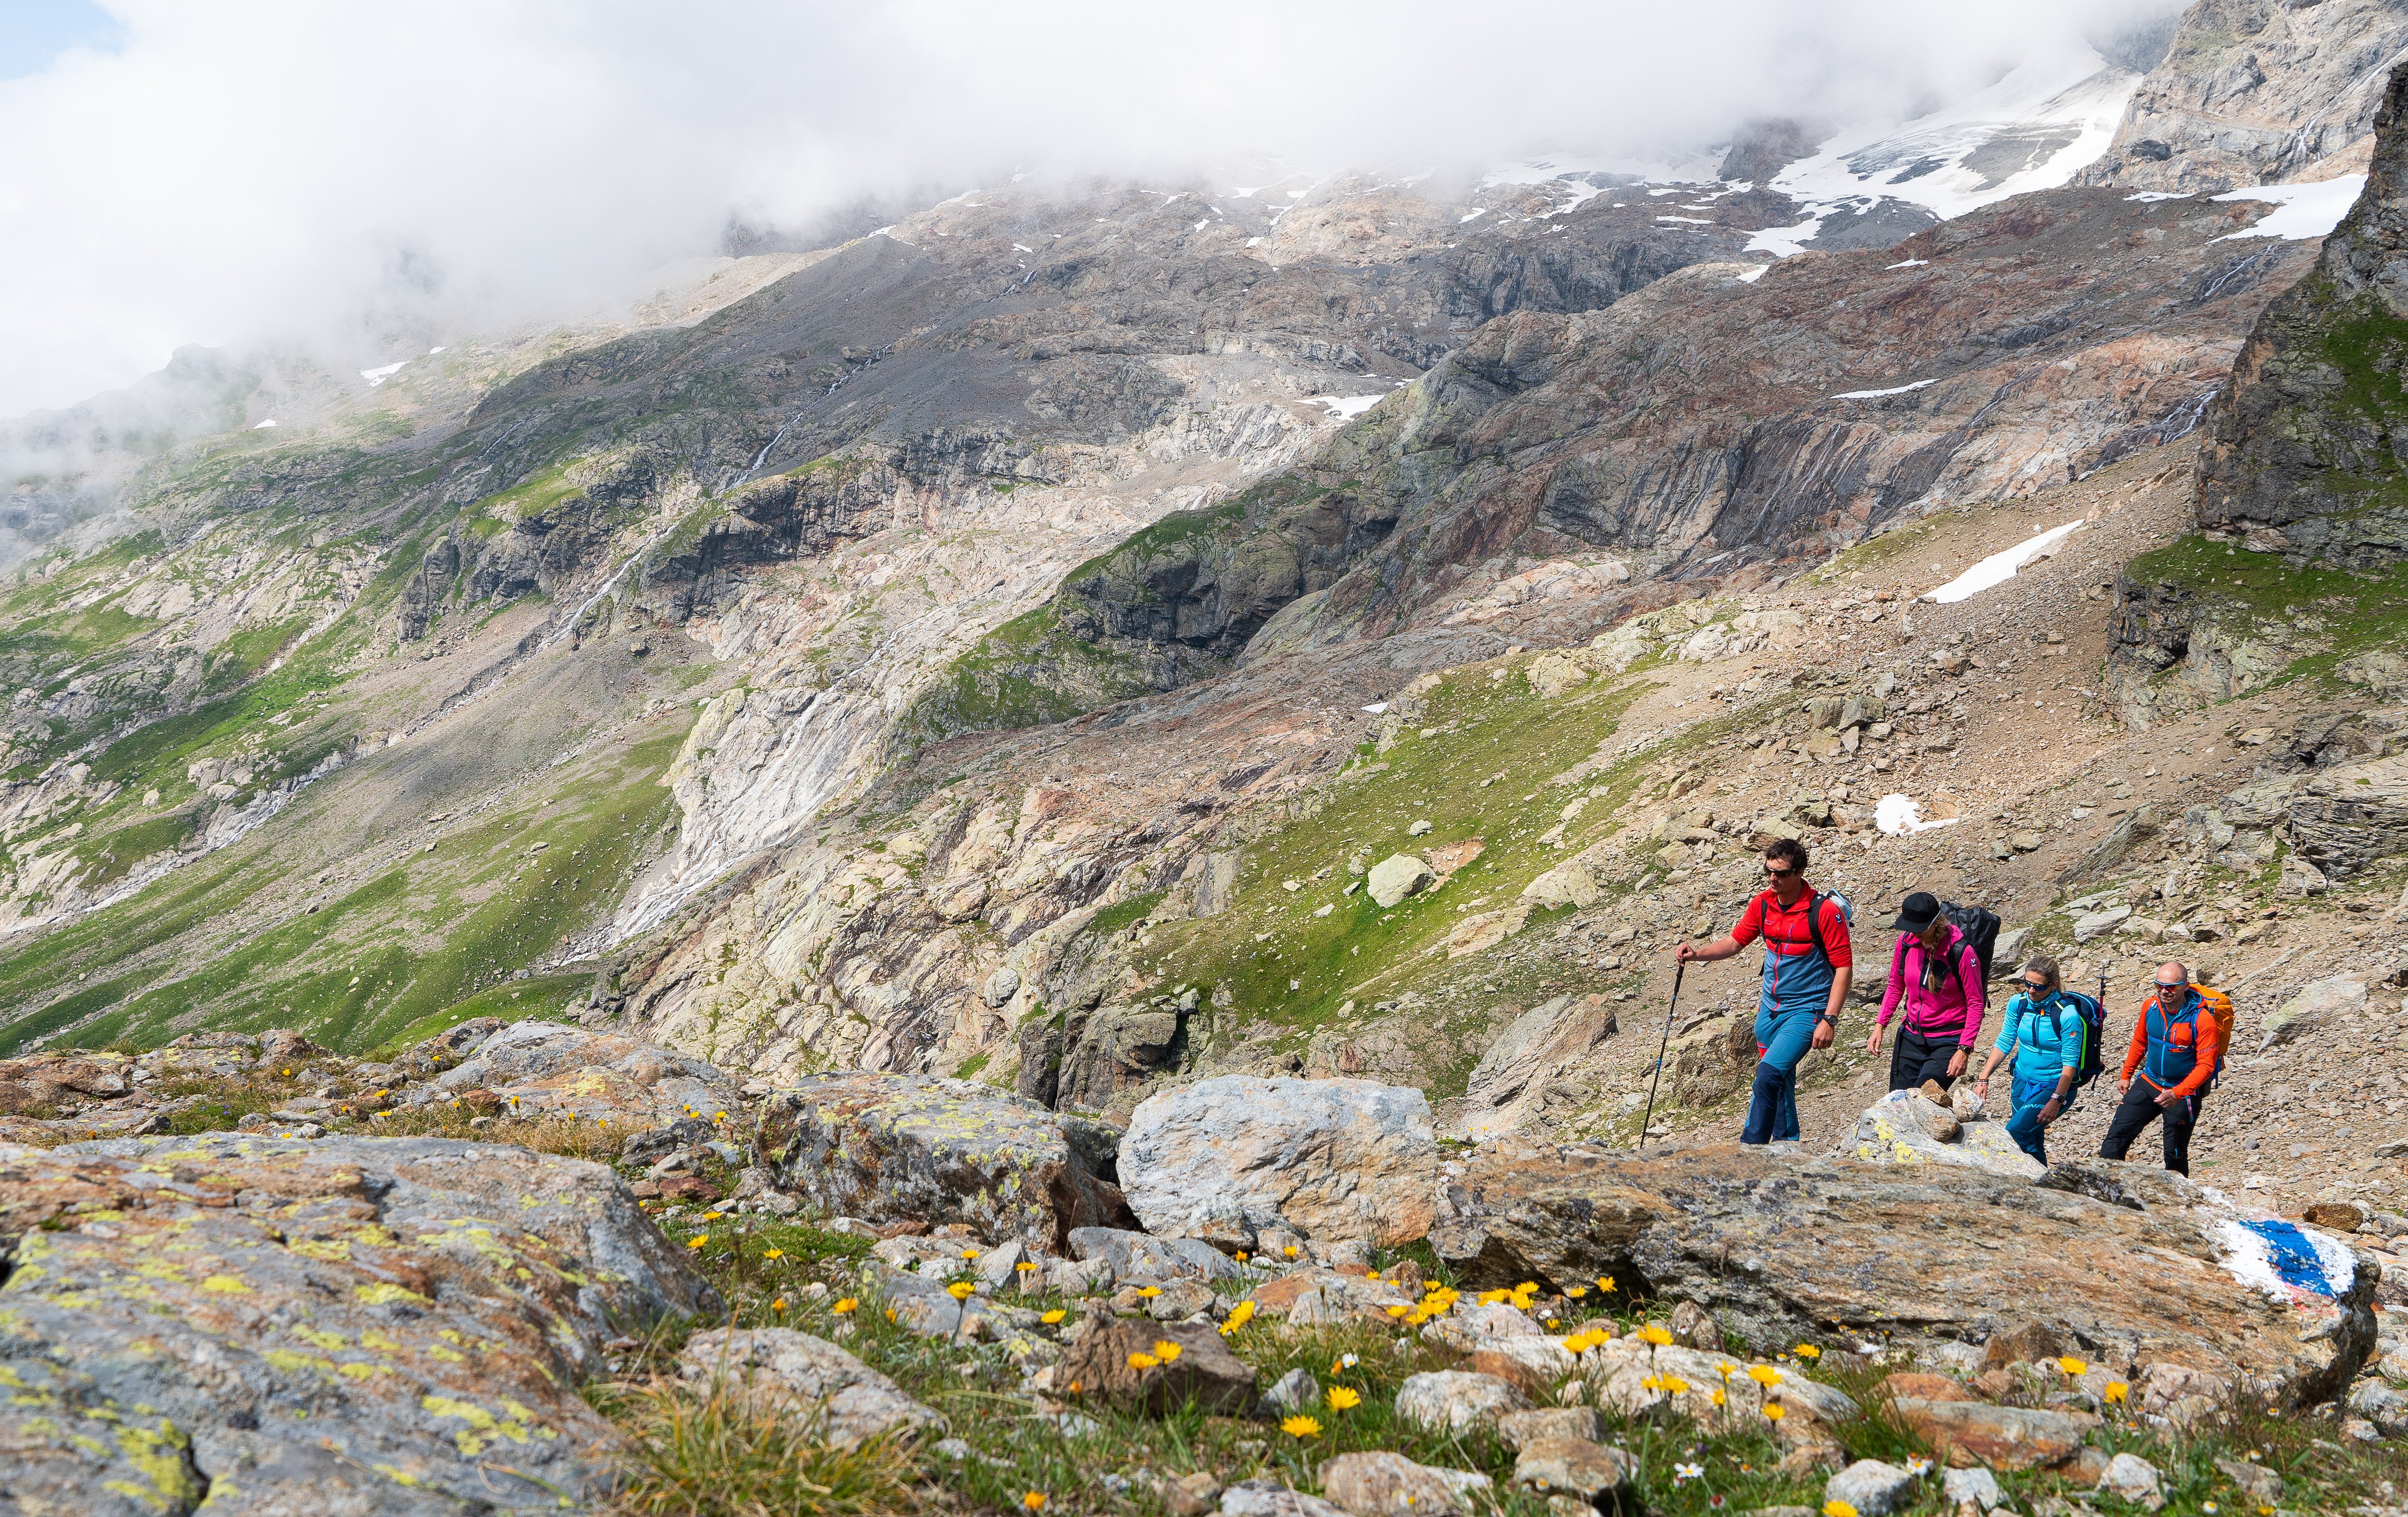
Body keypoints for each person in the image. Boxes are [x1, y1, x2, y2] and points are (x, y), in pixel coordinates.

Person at [1675, 837, 1852, 1145]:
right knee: (1779, 1082)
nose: (1773, 879)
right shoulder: (1762, 904)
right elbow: (1734, 943)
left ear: (1799, 873)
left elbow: (1844, 968)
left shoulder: (1823, 912)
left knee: (1768, 1076)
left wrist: (1830, 1019)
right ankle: (1787, 1147)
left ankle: (1751, 1146)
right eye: (1769, 871)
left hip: (1806, 1012)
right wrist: (1698, 954)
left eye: (1781, 874)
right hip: (1769, 1013)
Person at [2100, 960, 2223, 1176]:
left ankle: (2178, 1203)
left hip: (2182, 1092)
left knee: (2175, 1153)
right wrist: (2126, 1075)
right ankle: (2108, 1190)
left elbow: (2206, 1065)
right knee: (2114, 1140)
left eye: (2172, 987)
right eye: (2160, 985)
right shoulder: (2151, 1006)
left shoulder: (2203, 1020)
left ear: (2186, 986)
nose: (2165, 991)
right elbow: (2140, 1042)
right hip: (2149, 1082)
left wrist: (2178, 1093)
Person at [1866, 892, 1985, 1092]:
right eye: (1909, 927)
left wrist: (1964, 1049)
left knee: (1925, 1098)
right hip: (1911, 1037)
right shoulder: (1905, 943)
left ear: (1935, 922)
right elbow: (1896, 985)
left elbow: (1976, 1003)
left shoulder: (1961, 952)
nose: (1914, 933)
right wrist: (1880, 1025)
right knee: (1898, 1102)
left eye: (1919, 929)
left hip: (1948, 1041)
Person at [1973, 955, 2082, 1165]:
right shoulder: (2019, 1003)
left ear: (2054, 985)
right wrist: (1983, 1078)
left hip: (2053, 1087)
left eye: (2038, 987)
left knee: (2014, 1134)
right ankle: (2042, 1188)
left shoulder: (2068, 1015)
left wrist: (2056, 1100)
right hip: (2022, 1082)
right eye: (2027, 984)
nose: (2031, 991)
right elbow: (2005, 1040)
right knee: (2031, 1142)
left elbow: (2070, 1062)